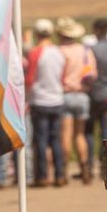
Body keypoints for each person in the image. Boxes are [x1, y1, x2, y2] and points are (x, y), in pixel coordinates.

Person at [25, 18, 65, 186]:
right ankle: (60, 175)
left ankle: (42, 176)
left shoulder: (35, 52)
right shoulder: (58, 52)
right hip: (57, 99)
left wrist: (26, 99)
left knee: (40, 140)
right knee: (55, 139)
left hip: (40, 100)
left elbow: (30, 79)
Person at [56, 17, 96, 183]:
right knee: (80, 134)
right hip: (82, 95)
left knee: (65, 134)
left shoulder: (59, 51)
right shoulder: (85, 50)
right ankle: (84, 168)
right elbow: (93, 74)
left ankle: (63, 171)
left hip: (65, 94)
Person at [87, 18, 107, 171]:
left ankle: (89, 165)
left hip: (94, 94)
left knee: (89, 130)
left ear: (97, 30)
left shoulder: (92, 49)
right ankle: (106, 165)